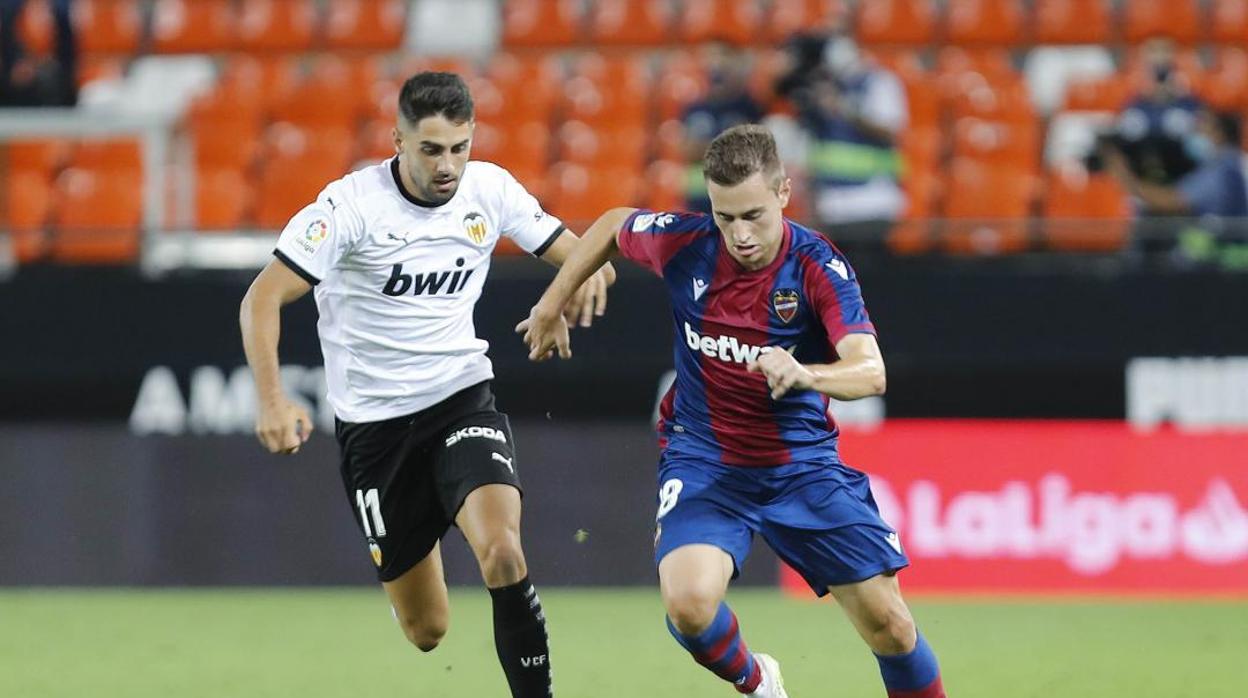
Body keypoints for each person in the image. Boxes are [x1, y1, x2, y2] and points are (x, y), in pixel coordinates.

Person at [517, 125, 945, 698]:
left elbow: (871, 370)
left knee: (891, 627)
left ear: (784, 193)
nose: (740, 235)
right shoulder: (686, 243)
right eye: (725, 217)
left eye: (753, 215)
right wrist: (552, 302)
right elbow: (617, 223)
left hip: (802, 468)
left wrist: (805, 373)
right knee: (689, 606)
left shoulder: (819, 267)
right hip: (705, 462)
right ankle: (758, 680)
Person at [239, 72, 614, 698]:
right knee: (427, 630)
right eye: (432, 149)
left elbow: (583, 254)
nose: (449, 165)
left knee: (503, 553)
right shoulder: (349, 208)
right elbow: (261, 300)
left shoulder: (489, 189)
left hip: (460, 398)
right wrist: (272, 400)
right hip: (376, 431)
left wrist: (565, 293)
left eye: (460, 147)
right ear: (398, 141)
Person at [776, 26, 907, 246]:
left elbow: (890, 131)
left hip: (872, 202)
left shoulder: (877, 82)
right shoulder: (819, 88)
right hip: (829, 206)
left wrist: (843, 108)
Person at [681, 41, 764, 214]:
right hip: (699, 200)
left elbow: (751, 153)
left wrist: (705, 147)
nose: (715, 64)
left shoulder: (749, 106)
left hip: (738, 200)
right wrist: (728, 144)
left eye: (722, 57)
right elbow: (688, 151)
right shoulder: (694, 108)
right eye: (710, 58)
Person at [0, 0, 78, 106]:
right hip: (18, 63)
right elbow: (10, 42)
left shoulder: (58, 14)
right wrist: (18, 62)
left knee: (49, 75)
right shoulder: (12, 11)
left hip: (49, 65)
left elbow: (65, 49)